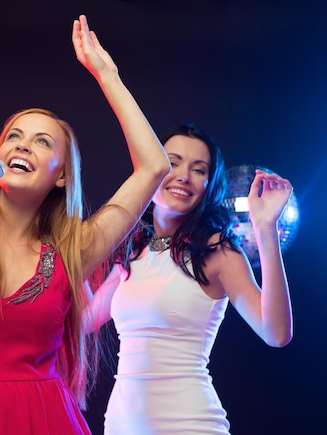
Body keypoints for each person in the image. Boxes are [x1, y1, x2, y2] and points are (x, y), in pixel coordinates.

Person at [0, 14, 171, 435]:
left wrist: (108, 76)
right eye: (14, 136)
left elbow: (154, 167)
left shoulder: (74, 248)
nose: (23, 145)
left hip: (44, 418)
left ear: (62, 176)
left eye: (42, 141)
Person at [84, 123, 294, 434]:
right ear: (152, 168)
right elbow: (78, 325)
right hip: (121, 425)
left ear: (209, 185)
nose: (183, 175)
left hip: (190, 425)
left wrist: (265, 228)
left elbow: (276, 333)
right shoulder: (130, 253)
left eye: (199, 169)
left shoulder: (218, 253)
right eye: (172, 162)